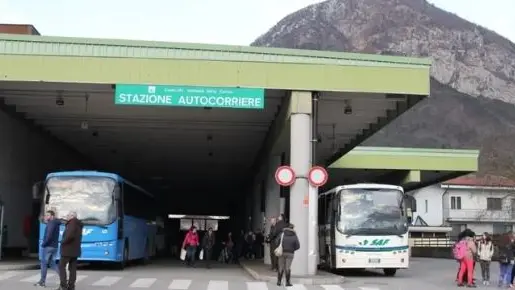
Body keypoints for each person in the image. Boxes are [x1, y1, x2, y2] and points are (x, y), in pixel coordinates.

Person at [57, 211, 83, 290]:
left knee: (61, 266)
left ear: (72, 216)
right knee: (72, 269)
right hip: (75, 250)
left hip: (68, 249)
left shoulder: (72, 223)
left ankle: (63, 285)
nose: (66, 217)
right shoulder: (78, 224)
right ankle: (71, 286)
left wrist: (63, 242)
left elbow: (70, 235)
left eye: (68, 215)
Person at [34, 210, 61, 287]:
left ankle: (42, 282)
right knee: (52, 263)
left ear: (52, 216)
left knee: (43, 263)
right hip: (54, 246)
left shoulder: (51, 223)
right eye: (46, 215)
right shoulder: (56, 223)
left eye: (48, 215)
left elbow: (49, 235)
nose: (46, 216)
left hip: (48, 246)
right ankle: (63, 278)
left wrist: (43, 244)